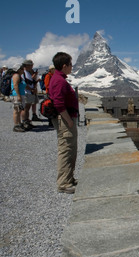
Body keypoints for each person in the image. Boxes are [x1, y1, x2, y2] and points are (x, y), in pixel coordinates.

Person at [49, 52, 79, 194]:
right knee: (66, 149)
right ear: (64, 65)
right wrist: (69, 121)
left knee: (70, 149)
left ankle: (69, 178)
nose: (72, 67)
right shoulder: (59, 81)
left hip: (67, 119)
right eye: (70, 65)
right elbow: (59, 104)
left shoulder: (59, 79)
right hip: (65, 120)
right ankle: (63, 183)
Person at [22, 60, 39, 127]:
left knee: (27, 108)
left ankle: (27, 121)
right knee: (25, 108)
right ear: (27, 65)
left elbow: (30, 82)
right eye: (31, 65)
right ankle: (24, 122)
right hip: (26, 93)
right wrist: (31, 89)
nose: (32, 66)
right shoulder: (23, 73)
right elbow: (24, 84)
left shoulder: (27, 73)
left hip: (30, 92)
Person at [10, 64, 27, 132]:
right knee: (16, 110)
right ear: (19, 69)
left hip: (20, 94)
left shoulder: (19, 76)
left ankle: (19, 123)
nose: (23, 70)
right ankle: (16, 125)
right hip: (16, 95)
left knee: (19, 110)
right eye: (22, 69)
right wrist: (18, 95)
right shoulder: (16, 76)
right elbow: (15, 85)